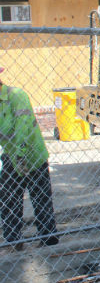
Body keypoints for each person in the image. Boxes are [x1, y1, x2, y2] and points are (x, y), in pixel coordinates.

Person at [0, 67, 58, 250]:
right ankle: (13, 240)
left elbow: (23, 129)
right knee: (8, 198)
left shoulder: (16, 96)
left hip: (31, 155)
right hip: (11, 156)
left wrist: (20, 157)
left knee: (40, 197)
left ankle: (48, 238)